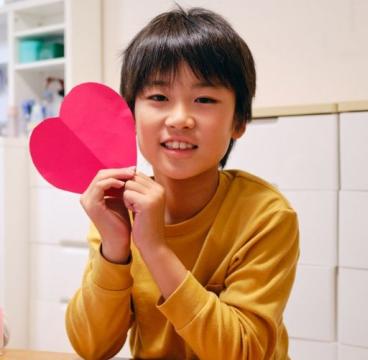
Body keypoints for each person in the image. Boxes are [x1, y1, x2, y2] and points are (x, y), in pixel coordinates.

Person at [65, 6, 299, 360]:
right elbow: (91, 346)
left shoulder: (266, 215)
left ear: (238, 121)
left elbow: (245, 352)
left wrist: (156, 249)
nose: (179, 119)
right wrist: (115, 246)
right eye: (158, 98)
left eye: (204, 99)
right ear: (130, 115)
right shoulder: (118, 206)